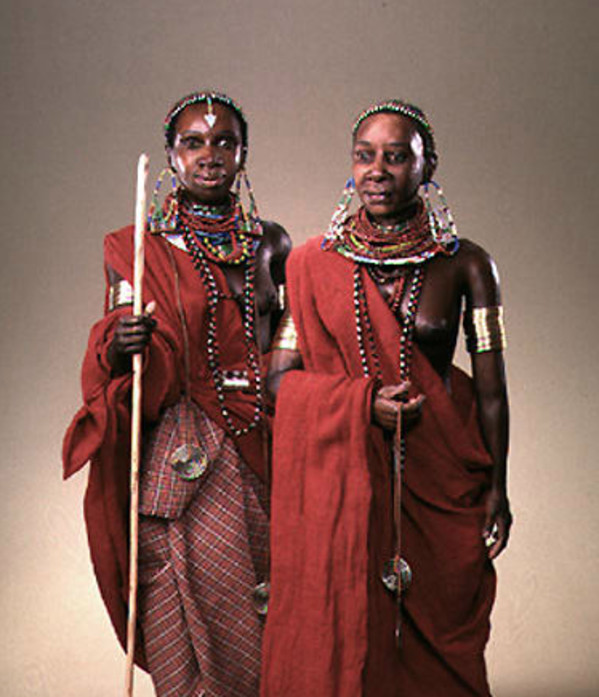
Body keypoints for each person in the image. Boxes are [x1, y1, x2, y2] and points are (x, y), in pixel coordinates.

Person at [261, 100, 511, 696]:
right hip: (347, 470)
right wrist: (357, 403)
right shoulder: (310, 264)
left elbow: (494, 388)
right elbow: (278, 381)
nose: (377, 170)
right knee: (353, 625)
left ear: (426, 167)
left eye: (397, 157)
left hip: (440, 468)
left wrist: (499, 484)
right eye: (365, 156)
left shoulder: (469, 265)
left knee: (445, 631)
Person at [63, 91, 291, 697]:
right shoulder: (136, 246)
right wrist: (119, 341)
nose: (210, 156)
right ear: (171, 155)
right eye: (193, 143)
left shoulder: (272, 242)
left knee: (262, 601)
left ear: (243, 154)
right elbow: (117, 334)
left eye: (224, 143)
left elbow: (297, 342)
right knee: (174, 598)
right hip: (178, 451)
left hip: (262, 447)